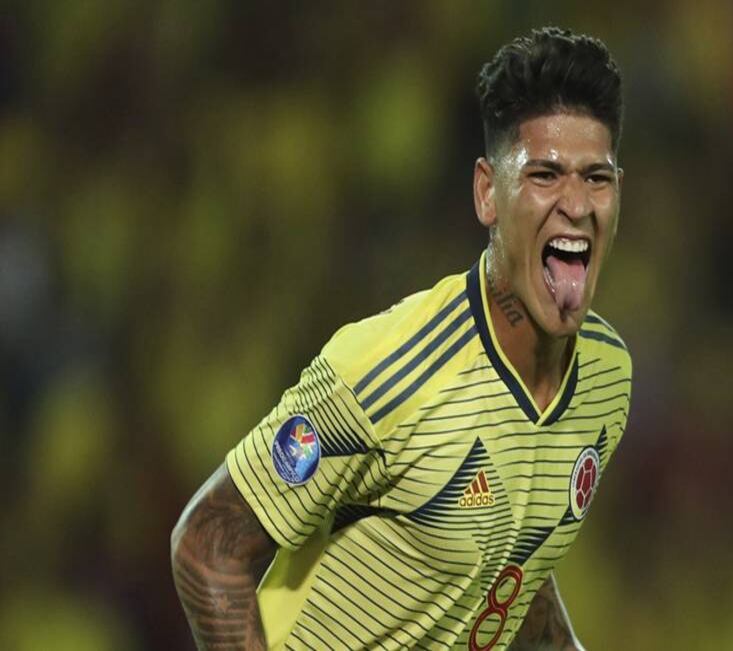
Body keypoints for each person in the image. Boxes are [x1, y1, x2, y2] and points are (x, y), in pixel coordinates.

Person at [171, 27, 632, 651]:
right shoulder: (388, 369)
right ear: (487, 194)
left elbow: (511, 560)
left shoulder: (607, 378)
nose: (576, 203)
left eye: (595, 178)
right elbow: (208, 543)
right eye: (545, 175)